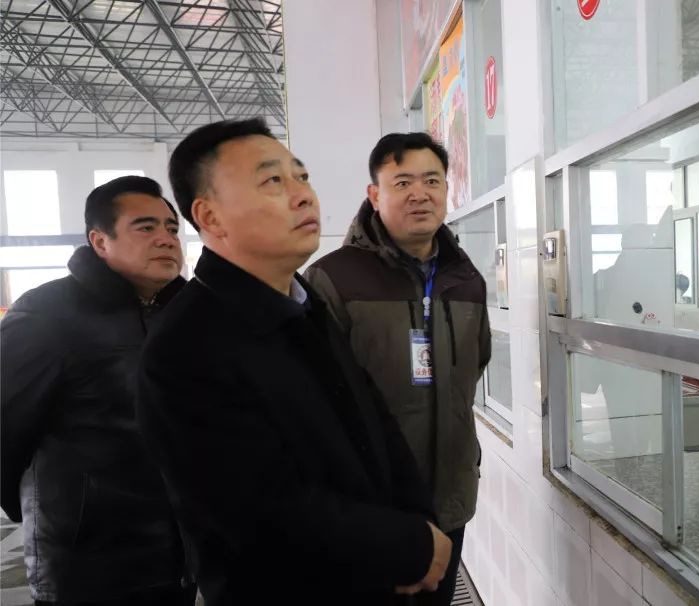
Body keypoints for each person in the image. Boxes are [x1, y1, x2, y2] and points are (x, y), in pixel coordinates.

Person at [135, 118, 450, 605]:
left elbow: (375, 424)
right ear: (211, 217)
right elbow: (260, 513)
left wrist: (420, 523)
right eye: (272, 181)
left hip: (381, 574)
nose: (304, 195)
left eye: (301, 177)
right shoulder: (185, 346)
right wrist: (407, 546)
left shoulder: (302, 304)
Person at [304, 132, 490, 606]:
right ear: (374, 194)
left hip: (449, 495)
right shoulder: (333, 278)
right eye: (402, 182)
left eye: (432, 180)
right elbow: (313, 398)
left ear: (447, 189)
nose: (419, 194)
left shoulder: (466, 279)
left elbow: (476, 364)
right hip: (371, 506)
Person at [1, 176, 191, 606]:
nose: (166, 239)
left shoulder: (184, 313)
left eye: (171, 228)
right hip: (87, 561)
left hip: (179, 555)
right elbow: (5, 426)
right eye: (146, 227)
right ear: (100, 241)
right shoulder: (48, 313)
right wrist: (45, 513)